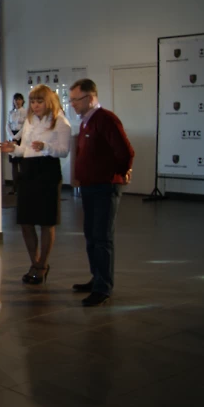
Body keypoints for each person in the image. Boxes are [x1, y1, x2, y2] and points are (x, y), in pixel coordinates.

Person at [68, 79, 134, 307]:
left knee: (102, 236)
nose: (72, 104)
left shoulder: (106, 119)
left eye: (75, 100)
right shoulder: (86, 122)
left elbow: (125, 151)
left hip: (105, 187)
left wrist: (119, 173)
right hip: (89, 186)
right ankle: (96, 277)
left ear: (89, 98)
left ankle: (103, 287)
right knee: (91, 235)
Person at [1, 85, 71, 285]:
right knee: (26, 220)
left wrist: (46, 147)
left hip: (47, 171)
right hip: (28, 170)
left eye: (39, 101)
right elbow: (25, 149)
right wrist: (13, 149)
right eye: (33, 101)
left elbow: (64, 150)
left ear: (48, 102)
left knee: (46, 221)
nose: (36, 105)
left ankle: (42, 265)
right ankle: (34, 262)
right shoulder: (29, 121)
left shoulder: (60, 121)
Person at [7, 93, 27, 194]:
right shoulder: (11, 112)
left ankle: (23, 187)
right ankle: (14, 187)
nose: (17, 101)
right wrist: (12, 137)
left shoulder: (26, 112)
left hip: (21, 137)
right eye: (16, 99)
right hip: (12, 137)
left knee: (22, 163)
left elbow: (25, 127)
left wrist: (16, 137)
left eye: (19, 99)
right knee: (14, 164)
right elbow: (7, 126)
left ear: (22, 101)